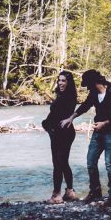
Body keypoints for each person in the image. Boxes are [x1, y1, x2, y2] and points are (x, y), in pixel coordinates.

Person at [60, 69, 111, 207]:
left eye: (88, 84)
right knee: (90, 162)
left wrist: (104, 123)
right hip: (98, 133)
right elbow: (84, 106)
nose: (87, 87)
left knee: (110, 164)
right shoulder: (94, 94)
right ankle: (95, 191)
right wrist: (70, 118)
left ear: (94, 82)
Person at [41, 70, 79, 204]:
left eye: (64, 80)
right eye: (59, 80)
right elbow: (55, 115)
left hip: (64, 133)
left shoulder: (69, 96)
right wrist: (47, 125)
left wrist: (46, 123)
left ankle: (56, 195)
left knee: (58, 163)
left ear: (69, 82)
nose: (60, 83)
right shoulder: (61, 95)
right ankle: (69, 192)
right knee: (62, 163)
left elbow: (58, 114)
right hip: (57, 133)